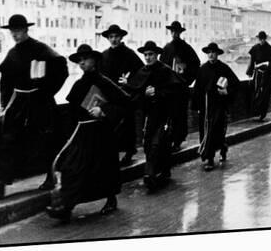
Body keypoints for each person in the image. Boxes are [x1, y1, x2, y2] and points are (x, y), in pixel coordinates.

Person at [0, 14, 69, 199]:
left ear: (26, 30)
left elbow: (62, 69)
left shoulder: (40, 49)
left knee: (46, 140)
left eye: (18, 31)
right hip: (19, 104)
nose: (15, 35)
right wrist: (4, 105)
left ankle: (51, 176)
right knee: (7, 138)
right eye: (13, 32)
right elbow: (5, 83)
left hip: (40, 103)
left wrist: (47, 91)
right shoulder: (13, 54)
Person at [46, 44, 131, 221]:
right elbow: (71, 111)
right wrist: (69, 132)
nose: (82, 62)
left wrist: (104, 111)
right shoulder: (78, 84)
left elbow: (125, 103)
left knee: (104, 168)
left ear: (95, 61)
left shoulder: (104, 82)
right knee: (73, 167)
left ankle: (110, 199)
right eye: (79, 60)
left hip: (101, 133)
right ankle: (66, 205)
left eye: (85, 59)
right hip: (82, 132)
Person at [124, 41, 181, 191]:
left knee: (159, 142)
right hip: (147, 115)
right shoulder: (141, 72)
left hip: (163, 114)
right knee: (148, 143)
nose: (148, 58)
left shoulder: (165, 71)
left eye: (151, 54)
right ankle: (158, 171)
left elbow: (176, 90)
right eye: (146, 55)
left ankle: (151, 174)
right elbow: (134, 92)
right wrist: (143, 93)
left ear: (157, 55)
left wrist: (158, 92)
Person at [99, 24, 144, 166]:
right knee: (111, 126)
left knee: (127, 126)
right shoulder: (103, 56)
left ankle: (129, 152)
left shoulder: (129, 54)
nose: (114, 40)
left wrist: (129, 81)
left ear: (121, 37)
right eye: (111, 37)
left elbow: (142, 72)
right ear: (107, 38)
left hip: (125, 96)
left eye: (116, 37)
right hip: (109, 97)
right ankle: (113, 154)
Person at [192, 43, 240, 171]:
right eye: (209, 52)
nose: (211, 54)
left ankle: (211, 158)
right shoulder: (202, 69)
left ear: (218, 54)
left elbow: (236, 83)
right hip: (205, 106)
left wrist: (227, 91)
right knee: (206, 130)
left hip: (219, 105)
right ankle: (215, 151)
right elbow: (197, 89)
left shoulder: (224, 68)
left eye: (213, 52)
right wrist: (196, 106)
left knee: (215, 130)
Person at [160, 21, 200, 152]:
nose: (174, 34)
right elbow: (161, 67)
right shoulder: (166, 49)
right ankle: (169, 139)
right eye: (172, 31)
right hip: (169, 88)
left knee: (180, 115)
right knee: (169, 114)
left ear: (180, 33)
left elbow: (195, 64)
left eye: (176, 32)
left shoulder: (186, 48)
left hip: (181, 89)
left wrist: (187, 79)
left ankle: (178, 139)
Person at [245, 31, 271, 121]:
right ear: (258, 39)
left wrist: (268, 69)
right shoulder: (255, 48)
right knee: (256, 93)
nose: (261, 41)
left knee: (265, 95)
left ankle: (263, 114)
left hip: (267, 75)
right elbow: (252, 61)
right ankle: (256, 112)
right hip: (257, 75)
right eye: (260, 39)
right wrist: (249, 73)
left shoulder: (270, 49)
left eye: (263, 39)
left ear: (265, 39)